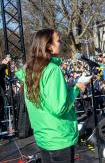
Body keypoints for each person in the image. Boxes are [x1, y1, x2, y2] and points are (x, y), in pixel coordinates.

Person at [15, 29, 87, 163]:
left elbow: (44, 99)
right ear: (49, 46)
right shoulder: (52, 70)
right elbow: (59, 108)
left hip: (43, 136)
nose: (61, 43)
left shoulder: (31, 70)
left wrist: (67, 88)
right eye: (58, 40)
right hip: (59, 137)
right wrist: (76, 89)